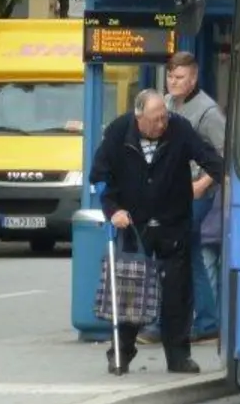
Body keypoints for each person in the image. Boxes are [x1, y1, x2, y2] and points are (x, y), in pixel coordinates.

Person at [89, 88, 224, 374]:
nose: (162, 124)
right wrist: (113, 211)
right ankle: (121, 353)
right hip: (133, 224)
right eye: (155, 120)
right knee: (130, 292)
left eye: (164, 117)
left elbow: (209, 157)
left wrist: (214, 179)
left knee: (178, 293)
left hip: (173, 222)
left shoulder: (179, 128)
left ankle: (178, 356)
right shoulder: (118, 132)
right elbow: (100, 177)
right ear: (139, 118)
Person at [164, 52, 225, 341]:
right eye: (170, 76)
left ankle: (176, 321)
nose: (173, 82)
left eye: (179, 77)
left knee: (179, 249)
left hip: (195, 193)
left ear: (194, 78)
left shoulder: (208, 112)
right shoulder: (164, 104)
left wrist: (202, 185)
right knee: (191, 254)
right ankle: (207, 321)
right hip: (170, 192)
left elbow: (226, 154)